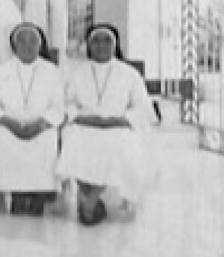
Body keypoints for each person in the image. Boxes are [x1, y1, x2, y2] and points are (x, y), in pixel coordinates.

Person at [58, 23, 154, 225]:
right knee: (72, 140)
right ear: (88, 45)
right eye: (96, 41)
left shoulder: (130, 74)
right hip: (84, 124)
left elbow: (143, 108)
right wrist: (82, 117)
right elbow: (66, 103)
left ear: (115, 44)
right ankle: (90, 199)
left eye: (106, 40)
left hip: (118, 126)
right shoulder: (76, 72)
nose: (101, 45)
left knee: (119, 145)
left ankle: (90, 202)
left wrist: (119, 120)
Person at [0, 23, 65, 216]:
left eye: (32, 41)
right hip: (9, 123)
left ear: (40, 45)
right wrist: (10, 123)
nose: (27, 46)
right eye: (22, 41)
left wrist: (40, 124)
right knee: (3, 137)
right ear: (14, 45)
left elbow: (58, 107)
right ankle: (16, 194)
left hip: (41, 125)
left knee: (48, 139)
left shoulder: (52, 71)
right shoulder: (1, 70)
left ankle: (40, 194)